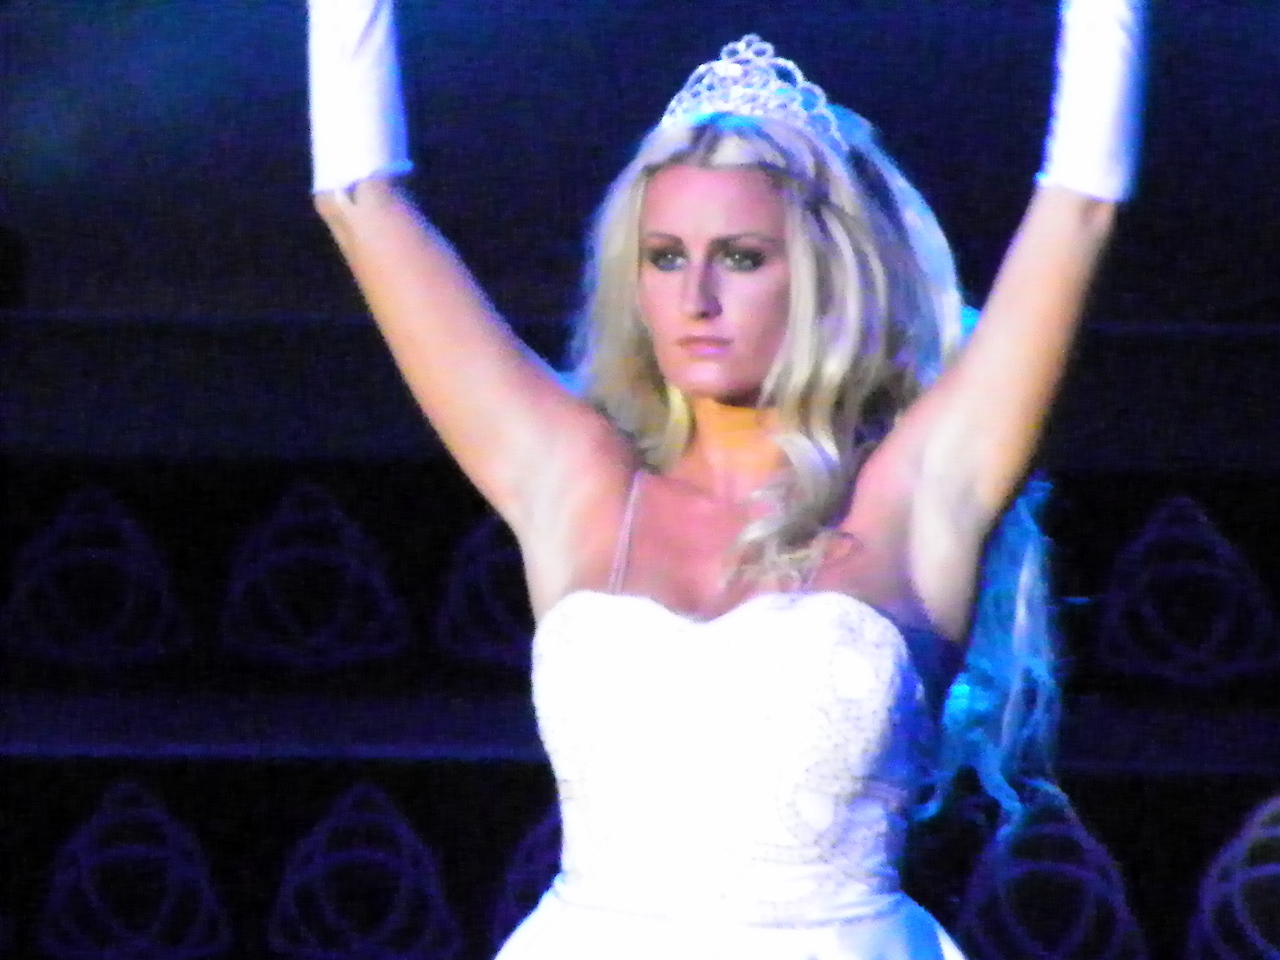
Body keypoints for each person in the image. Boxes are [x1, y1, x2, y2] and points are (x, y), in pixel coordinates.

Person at [307, 0, 1144, 956]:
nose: (696, 298)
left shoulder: (911, 502)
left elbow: (1080, 207)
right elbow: (359, 200)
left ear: (823, 277)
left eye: (741, 258)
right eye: (665, 258)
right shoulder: (578, 485)